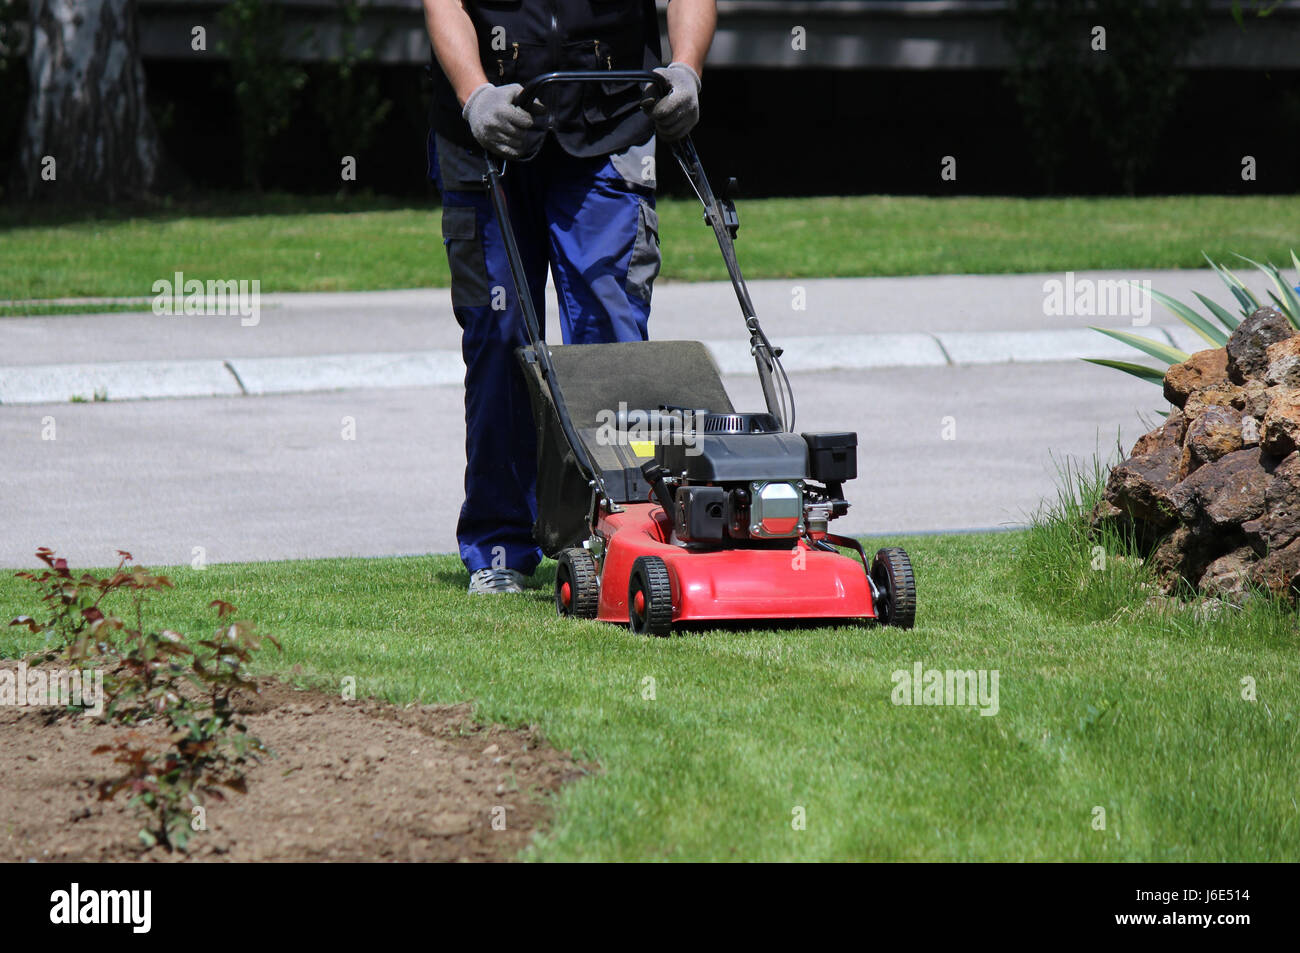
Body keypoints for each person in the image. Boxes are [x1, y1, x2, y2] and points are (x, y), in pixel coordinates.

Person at [422, 0, 717, 594]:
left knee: (612, 338)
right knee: (500, 339)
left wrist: (686, 69)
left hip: (611, 126)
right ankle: (501, 546)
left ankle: (620, 530)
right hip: (485, 133)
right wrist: (475, 93)